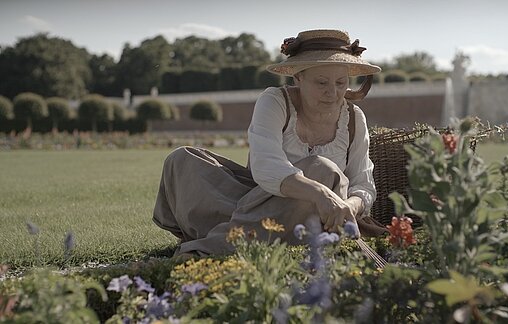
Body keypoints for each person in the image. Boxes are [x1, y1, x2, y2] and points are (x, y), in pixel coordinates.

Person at [153, 29, 385, 256]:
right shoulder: (274, 101)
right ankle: (245, 232)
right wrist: (319, 193)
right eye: (322, 82)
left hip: (317, 216)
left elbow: (362, 184)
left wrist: (347, 207)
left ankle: (214, 247)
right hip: (254, 202)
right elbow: (266, 166)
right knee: (181, 159)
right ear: (298, 77)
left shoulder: (354, 118)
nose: (332, 92)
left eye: (341, 82)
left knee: (322, 169)